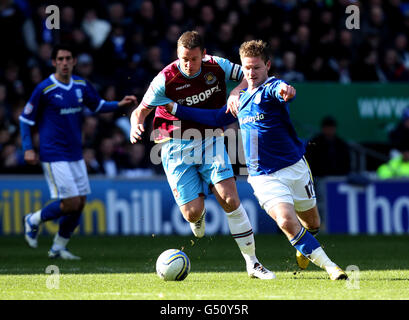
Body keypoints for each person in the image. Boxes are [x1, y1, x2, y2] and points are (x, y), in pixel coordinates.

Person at [167, 40, 348, 280]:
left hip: (295, 167)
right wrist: (176, 109)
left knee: (312, 222)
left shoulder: (273, 88)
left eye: (256, 68)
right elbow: (213, 119)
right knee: (285, 220)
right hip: (263, 176)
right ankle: (332, 268)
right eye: (247, 68)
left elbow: (283, 89)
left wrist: (288, 91)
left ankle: (306, 244)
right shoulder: (239, 99)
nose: (251, 73)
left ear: (268, 66)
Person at [129, 31, 274, 279]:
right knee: (192, 213)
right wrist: (135, 124)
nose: (188, 64)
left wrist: (236, 91)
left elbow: (249, 76)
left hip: (209, 138)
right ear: (178, 54)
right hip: (173, 144)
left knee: (230, 198)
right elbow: (140, 111)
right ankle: (198, 216)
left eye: (193, 59)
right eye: (184, 58)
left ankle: (253, 263)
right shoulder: (165, 79)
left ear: (203, 55)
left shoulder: (217, 66)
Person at [20, 44, 137, 259]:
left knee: (80, 203)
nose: (65, 63)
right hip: (53, 153)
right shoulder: (44, 89)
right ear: (54, 62)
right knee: (71, 202)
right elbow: (25, 120)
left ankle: (58, 247)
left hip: (75, 153)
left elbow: (98, 105)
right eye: (61, 59)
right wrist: (28, 148)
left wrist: (118, 104)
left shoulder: (82, 85)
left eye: (68, 58)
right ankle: (33, 220)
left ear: (74, 62)